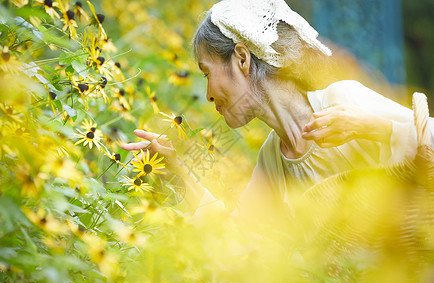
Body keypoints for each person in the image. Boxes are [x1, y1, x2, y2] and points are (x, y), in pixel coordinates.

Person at [122, 0, 434, 220]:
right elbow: (233, 237)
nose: (206, 95)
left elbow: (428, 142)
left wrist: (369, 127)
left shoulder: (344, 99)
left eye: (207, 73)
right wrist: (176, 169)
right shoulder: (272, 158)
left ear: (242, 59)